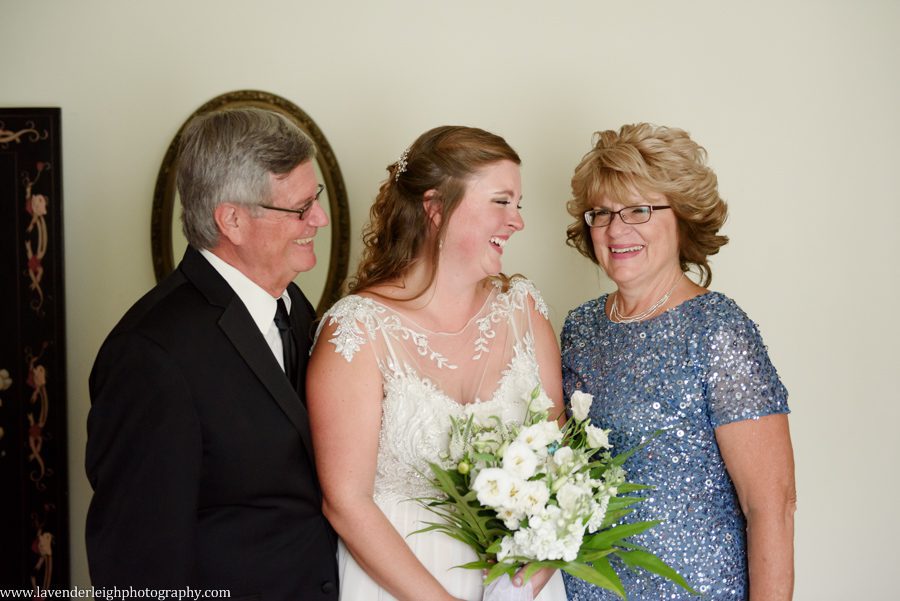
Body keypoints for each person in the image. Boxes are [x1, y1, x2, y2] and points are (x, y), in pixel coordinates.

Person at [85, 107, 339, 600]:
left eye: (318, 199)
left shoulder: (294, 306)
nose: (319, 218)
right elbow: (136, 562)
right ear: (233, 220)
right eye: (300, 207)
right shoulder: (150, 355)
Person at [306, 126, 568, 601]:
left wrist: (524, 582)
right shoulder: (358, 331)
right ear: (436, 208)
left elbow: (557, 466)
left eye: (519, 204)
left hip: (519, 586)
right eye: (501, 201)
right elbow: (345, 501)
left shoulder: (524, 311)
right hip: (397, 583)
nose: (517, 221)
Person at [561, 123, 796, 600]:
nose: (615, 229)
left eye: (639, 210)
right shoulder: (579, 328)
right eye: (601, 213)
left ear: (682, 217)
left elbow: (771, 504)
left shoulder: (716, 328)